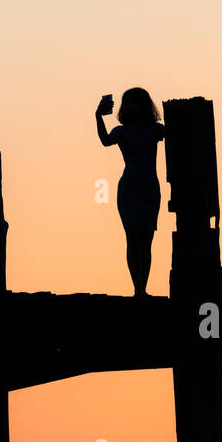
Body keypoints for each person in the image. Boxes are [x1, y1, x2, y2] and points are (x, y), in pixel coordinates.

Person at [95, 87, 164, 296]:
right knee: (133, 239)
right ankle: (138, 289)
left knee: (147, 240)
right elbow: (105, 140)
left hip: (150, 188)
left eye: (136, 102)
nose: (132, 106)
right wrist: (98, 115)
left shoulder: (155, 129)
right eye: (129, 103)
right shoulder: (121, 132)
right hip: (130, 190)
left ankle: (143, 287)